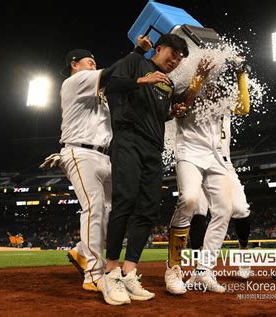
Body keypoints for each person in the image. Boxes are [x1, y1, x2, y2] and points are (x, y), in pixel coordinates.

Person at [97, 34, 189, 306]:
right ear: (158, 49)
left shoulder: (168, 83)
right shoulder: (135, 61)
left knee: (148, 208)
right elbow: (111, 85)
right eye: (171, 55)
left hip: (153, 147)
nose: (174, 62)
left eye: (179, 59)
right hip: (128, 138)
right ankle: (110, 271)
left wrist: (174, 112)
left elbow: (160, 114)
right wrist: (142, 79)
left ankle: (129, 272)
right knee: (125, 198)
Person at [55, 47, 116, 293]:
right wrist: (138, 55)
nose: (93, 66)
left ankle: (81, 251)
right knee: (94, 207)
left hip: (104, 155)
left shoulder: (100, 95)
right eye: (89, 62)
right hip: (80, 152)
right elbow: (114, 73)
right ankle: (92, 274)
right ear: (74, 64)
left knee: (113, 211)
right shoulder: (74, 81)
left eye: (94, 63)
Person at [187, 60, 252, 281]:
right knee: (197, 211)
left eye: (216, 85)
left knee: (241, 210)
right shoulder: (194, 102)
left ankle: (244, 254)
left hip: (223, 165)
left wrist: (241, 75)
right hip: (197, 162)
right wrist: (198, 75)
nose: (213, 88)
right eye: (209, 85)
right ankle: (200, 268)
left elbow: (244, 107)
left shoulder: (224, 106)